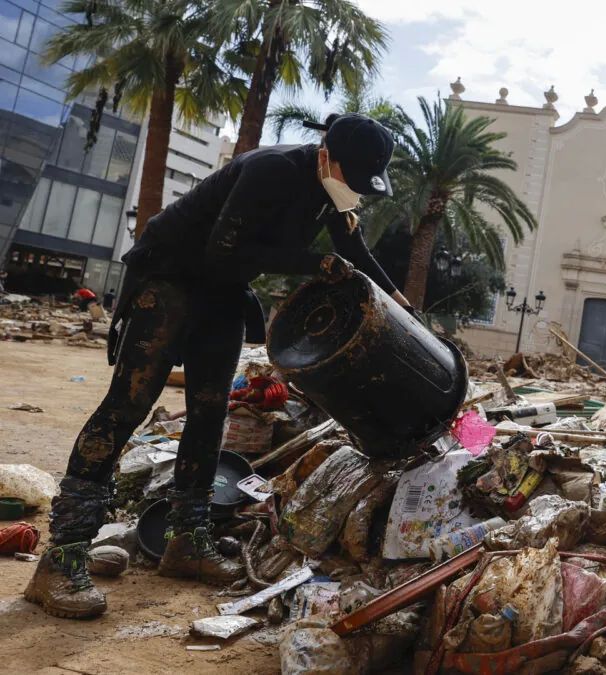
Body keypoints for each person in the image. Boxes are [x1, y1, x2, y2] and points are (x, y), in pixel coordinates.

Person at [25, 113, 411, 619]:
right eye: (351, 178)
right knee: (129, 405)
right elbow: (224, 251)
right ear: (325, 156)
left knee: (211, 413)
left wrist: (403, 308)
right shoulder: (272, 169)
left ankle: (187, 542)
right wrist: (312, 264)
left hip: (223, 290)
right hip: (171, 276)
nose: (353, 192)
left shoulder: (331, 192)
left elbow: (353, 253)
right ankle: (62, 557)